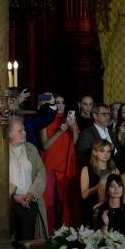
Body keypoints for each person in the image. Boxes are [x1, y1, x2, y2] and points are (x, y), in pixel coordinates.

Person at [40, 94, 80, 234]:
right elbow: (45, 146)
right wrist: (60, 131)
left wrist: (73, 126)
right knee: (49, 202)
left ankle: (66, 234)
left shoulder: (67, 120)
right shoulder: (45, 121)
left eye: (62, 102)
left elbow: (74, 142)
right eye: (57, 102)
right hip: (49, 166)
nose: (60, 105)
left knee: (65, 203)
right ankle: (48, 234)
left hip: (65, 166)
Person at [9, 116, 48, 243]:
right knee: (10, 240)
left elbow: (40, 173)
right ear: (10, 134)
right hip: (8, 203)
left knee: (27, 241)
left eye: (23, 130)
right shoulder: (1, 151)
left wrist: (31, 194)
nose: (25, 133)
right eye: (20, 131)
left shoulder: (31, 148)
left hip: (28, 202)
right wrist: (15, 197)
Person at [80, 140, 120, 227]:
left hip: (110, 209)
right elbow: (84, 195)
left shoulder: (115, 170)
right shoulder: (86, 169)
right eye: (102, 151)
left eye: (108, 151)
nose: (106, 154)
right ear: (95, 152)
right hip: (92, 208)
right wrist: (101, 184)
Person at [75, 103, 121, 168]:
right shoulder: (87, 133)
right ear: (95, 116)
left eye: (109, 114)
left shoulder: (112, 134)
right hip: (96, 171)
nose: (107, 117)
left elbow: (118, 154)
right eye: (104, 114)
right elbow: (83, 156)